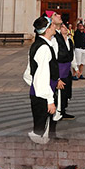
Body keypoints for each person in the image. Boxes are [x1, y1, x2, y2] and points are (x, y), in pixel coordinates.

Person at [23, 14, 60, 143]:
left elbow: (28, 74)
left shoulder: (38, 45)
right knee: (41, 132)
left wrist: (35, 87)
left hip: (39, 92)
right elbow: (42, 75)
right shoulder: (44, 48)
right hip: (43, 95)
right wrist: (49, 99)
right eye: (52, 25)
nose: (55, 27)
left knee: (41, 128)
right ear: (47, 29)